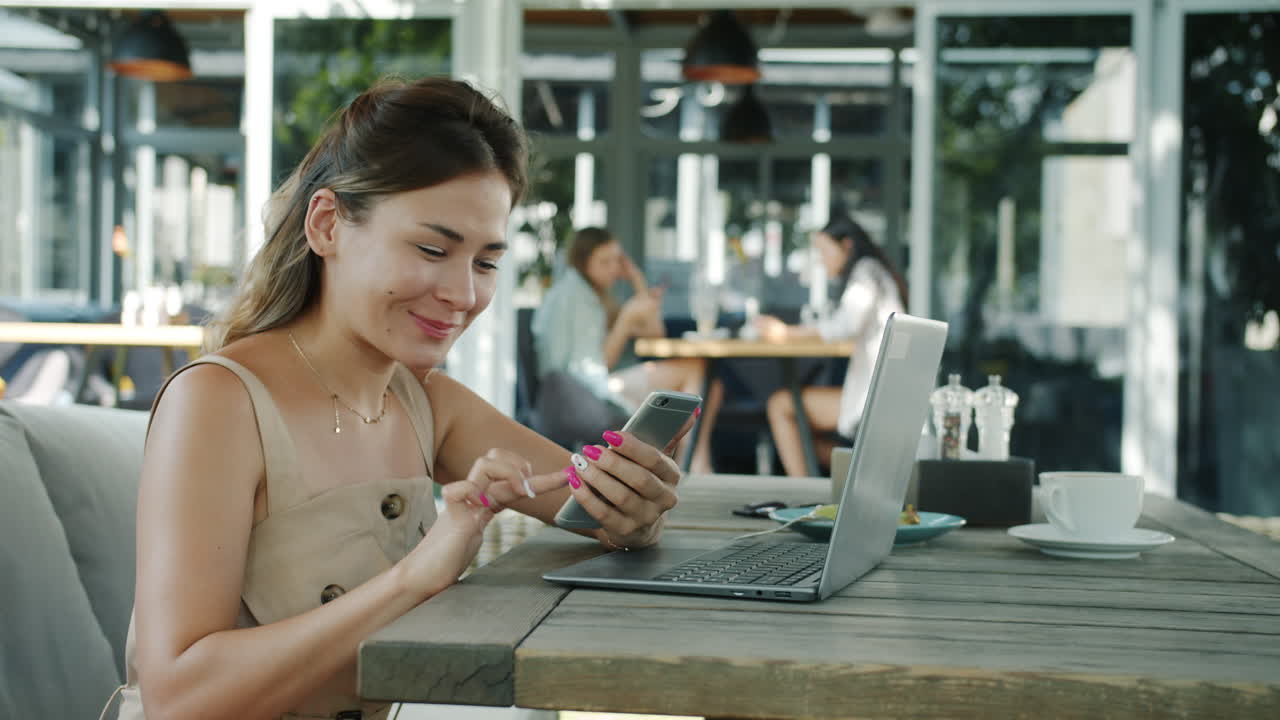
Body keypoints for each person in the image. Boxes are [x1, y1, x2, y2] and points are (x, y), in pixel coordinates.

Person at [110, 78, 688, 720]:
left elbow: (591, 507)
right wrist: (417, 576)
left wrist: (636, 510)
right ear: (327, 224)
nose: (463, 294)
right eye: (433, 249)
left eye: (486, 262)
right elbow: (177, 696)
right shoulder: (219, 402)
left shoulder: (424, 402)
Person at [532, 227, 722, 473]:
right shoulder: (576, 298)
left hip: (595, 384)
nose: (613, 268)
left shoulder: (594, 296)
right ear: (583, 262)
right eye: (604, 261)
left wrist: (636, 278)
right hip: (584, 391)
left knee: (711, 385)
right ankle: (692, 464)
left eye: (617, 260)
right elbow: (595, 367)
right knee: (694, 370)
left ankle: (691, 462)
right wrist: (624, 321)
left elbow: (654, 332)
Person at [754, 214, 908, 477]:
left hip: (872, 397)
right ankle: (851, 478)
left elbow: (844, 326)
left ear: (846, 246)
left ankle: (801, 488)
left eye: (824, 251)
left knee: (781, 405)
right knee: (801, 432)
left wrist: (785, 333)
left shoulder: (866, 273)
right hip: (881, 392)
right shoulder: (875, 273)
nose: (821, 260)